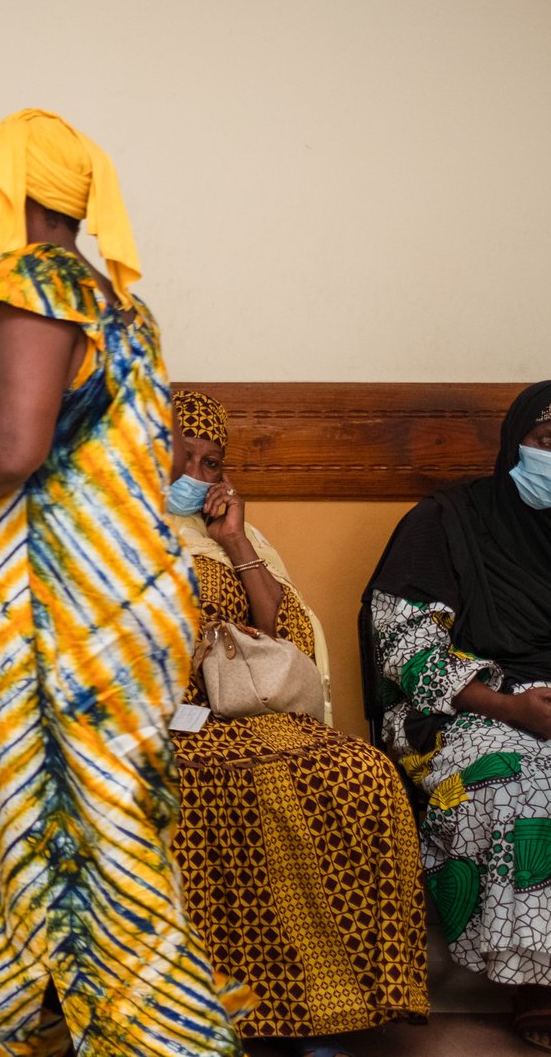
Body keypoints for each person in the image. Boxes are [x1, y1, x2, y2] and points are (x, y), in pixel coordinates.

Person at [0, 110, 242, 1056]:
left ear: (11, 195)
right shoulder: (117, 304)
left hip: (64, 619)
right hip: (111, 603)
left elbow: (14, 448)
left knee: (94, 849)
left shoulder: (31, 284)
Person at [364, 380, 551, 1057]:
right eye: (547, 441)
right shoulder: (447, 521)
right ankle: (536, 983)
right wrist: (508, 706)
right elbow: (403, 642)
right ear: (515, 440)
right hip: (474, 702)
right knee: (526, 791)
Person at [165, 390, 427, 1057]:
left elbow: (290, 644)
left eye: (210, 462)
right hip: (147, 721)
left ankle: (328, 1009)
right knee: (198, 786)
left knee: (359, 772)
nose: (194, 472)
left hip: (238, 711)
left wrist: (235, 541)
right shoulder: (101, 524)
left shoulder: (232, 540)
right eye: (181, 454)